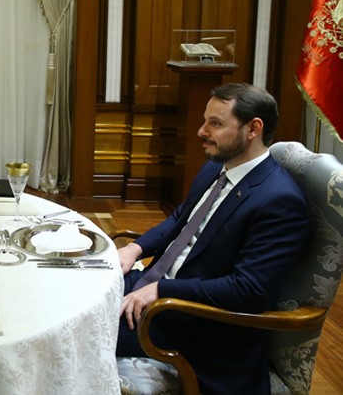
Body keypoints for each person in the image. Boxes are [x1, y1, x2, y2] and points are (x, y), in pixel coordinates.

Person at [116, 82, 310, 394]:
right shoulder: (216, 167)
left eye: (216, 124)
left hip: (196, 326)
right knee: (72, 289)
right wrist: (135, 249)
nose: (201, 131)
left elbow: (247, 290)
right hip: (155, 291)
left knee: (75, 329)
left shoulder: (279, 201)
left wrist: (161, 289)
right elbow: (181, 219)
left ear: (253, 129)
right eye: (205, 120)